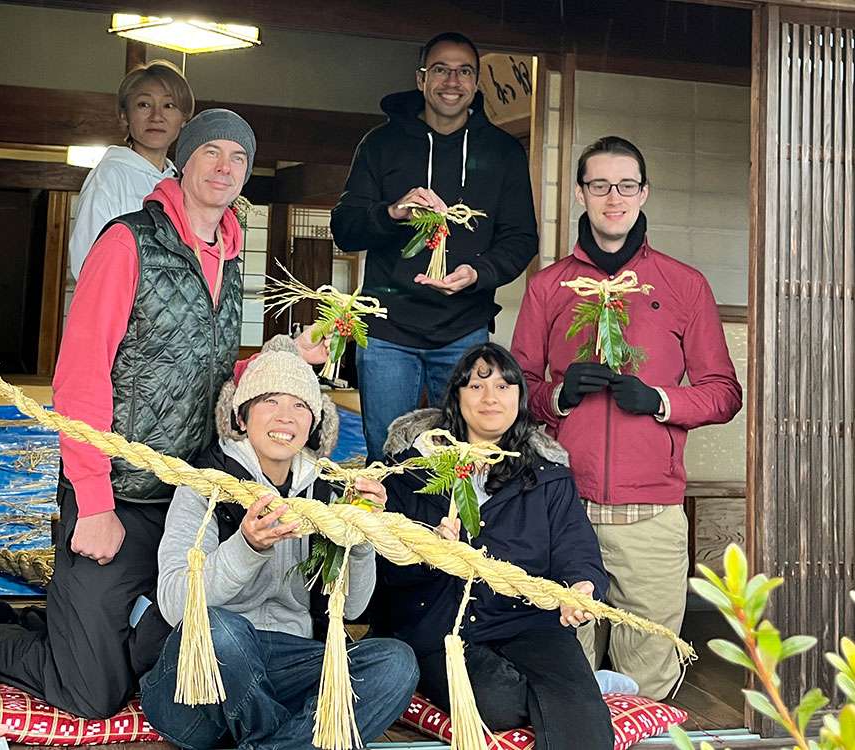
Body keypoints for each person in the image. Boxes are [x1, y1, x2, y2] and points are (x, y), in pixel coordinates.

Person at [0, 110, 276, 719]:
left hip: (187, 501)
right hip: (116, 494)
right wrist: (92, 502)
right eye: (213, 153)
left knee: (157, 668)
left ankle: (65, 624)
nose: (225, 168)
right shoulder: (128, 241)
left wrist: (279, 360)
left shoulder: (231, 254)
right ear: (186, 160)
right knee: (90, 692)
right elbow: (80, 375)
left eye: (239, 159)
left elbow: (212, 369)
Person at [510, 136, 743, 699]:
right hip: (567, 508)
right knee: (569, 671)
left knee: (650, 676)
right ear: (581, 194)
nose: (613, 198)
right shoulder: (549, 285)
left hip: (652, 515)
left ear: (644, 193)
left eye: (626, 185)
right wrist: (560, 397)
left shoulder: (684, 284)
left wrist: (661, 400)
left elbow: (724, 393)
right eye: (599, 185)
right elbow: (514, 388)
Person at [140, 346, 419, 750]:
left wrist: (361, 538)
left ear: (314, 423)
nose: (285, 416)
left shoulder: (327, 491)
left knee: (395, 663)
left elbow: (353, 608)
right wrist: (247, 546)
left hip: (292, 660)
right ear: (241, 415)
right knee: (225, 632)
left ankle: (273, 743)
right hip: (202, 681)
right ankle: (292, 740)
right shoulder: (205, 484)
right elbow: (173, 603)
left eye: (300, 405)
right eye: (269, 401)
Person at [374, 343, 614, 749]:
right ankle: (591, 684)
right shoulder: (409, 472)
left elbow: (579, 552)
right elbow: (382, 576)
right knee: (498, 703)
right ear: (456, 397)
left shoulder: (548, 477)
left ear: (520, 398)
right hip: (443, 628)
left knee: (585, 714)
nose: (490, 398)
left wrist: (582, 587)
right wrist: (427, 553)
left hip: (528, 622)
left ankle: (586, 688)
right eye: (476, 386)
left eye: (504, 386)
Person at [330, 31, 539, 463]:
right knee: (389, 456)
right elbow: (346, 229)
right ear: (422, 78)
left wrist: (479, 273)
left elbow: (521, 239)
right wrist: (393, 213)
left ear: (477, 82)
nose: (452, 81)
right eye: (441, 70)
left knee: (469, 455)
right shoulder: (381, 144)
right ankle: (389, 532)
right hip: (387, 330)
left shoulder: (502, 152)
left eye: (464, 71)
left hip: (464, 329)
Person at [69, 59, 194, 280]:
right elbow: (87, 261)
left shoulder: (181, 182)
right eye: (144, 104)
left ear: (184, 118)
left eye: (169, 105)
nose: (157, 116)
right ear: (125, 115)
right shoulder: (110, 176)